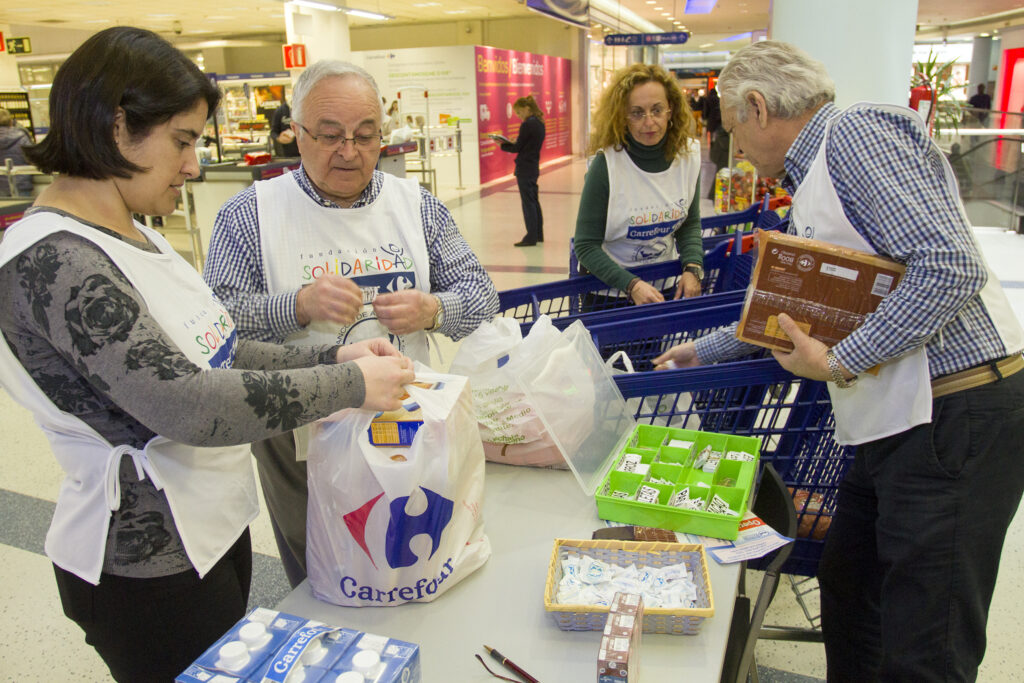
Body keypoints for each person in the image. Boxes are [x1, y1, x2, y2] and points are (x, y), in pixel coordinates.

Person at [0, 27, 415, 683]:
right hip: (142, 573)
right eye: (183, 141)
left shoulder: (131, 230)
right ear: (116, 126)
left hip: (207, 534)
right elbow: (186, 403)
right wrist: (348, 386)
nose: (194, 165)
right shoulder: (54, 259)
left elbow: (219, 348)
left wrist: (337, 359)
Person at [653, 41, 1024, 681]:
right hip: (898, 420)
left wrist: (838, 361)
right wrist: (699, 351)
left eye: (734, 127)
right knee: (851, 591)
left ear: (759, 106)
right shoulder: (816, 179)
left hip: (954, 416)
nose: (735, 148)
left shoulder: (854, 136)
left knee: (925, 645)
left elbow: (950, 267)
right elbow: (786, 310)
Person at [203, 59, 499, 589]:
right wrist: (294, 307)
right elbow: (215, 328)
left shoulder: (417, 207)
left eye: (366, 136)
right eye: (330, 135)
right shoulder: (251, 214)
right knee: (321, 564)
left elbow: (482, 295)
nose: (350, 151)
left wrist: (433, 310)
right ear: (295, 133)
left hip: (407, 425)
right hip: (298, 434)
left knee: (412, 555)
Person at [573, 63, 703, 306]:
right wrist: (631, 284)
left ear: (670, 110)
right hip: (609, 295)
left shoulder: (688, 157)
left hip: (664, 286)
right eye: (637, 112)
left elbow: (690, 224)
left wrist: (692, 267)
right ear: (623, 116)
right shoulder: (606, 167)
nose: (649, 122)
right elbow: (585, 245)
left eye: (657, 110)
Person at [494, 94, 546, 246]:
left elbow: (518, 147)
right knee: (534, 201)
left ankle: (530, 236)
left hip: (525, 167)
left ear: (526, 108)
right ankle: (538, 234)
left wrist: (502, 145)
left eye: (519, 112)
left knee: (528, 202)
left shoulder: (527, 124)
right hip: (533, 165)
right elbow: (526, 144)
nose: (518, 115)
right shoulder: (539, 122)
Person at [0, 108, 34, 196]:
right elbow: (31, 158)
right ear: (11, 121)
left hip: (1, 186)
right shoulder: (21, 136)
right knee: (21, 209)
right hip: (20, 182)